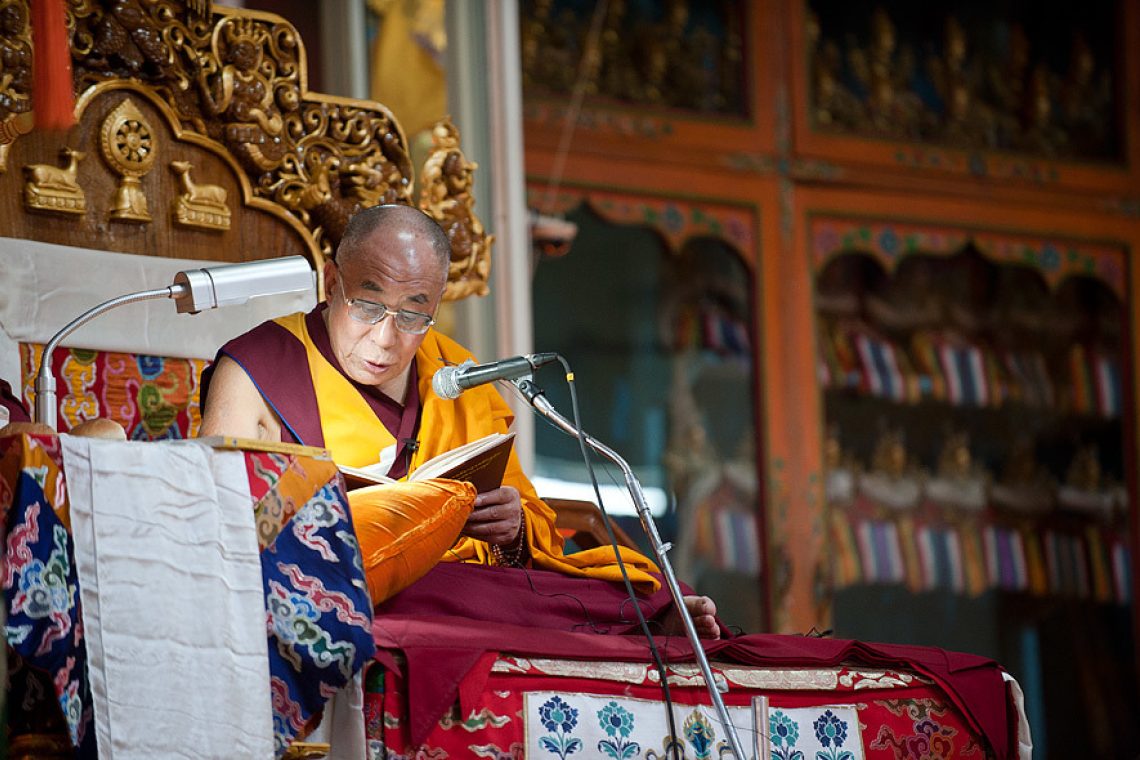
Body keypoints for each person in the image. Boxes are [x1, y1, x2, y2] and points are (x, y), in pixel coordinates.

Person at [199, 204, 719, 637]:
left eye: (412, 315)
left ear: (436, 306)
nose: (385, 339)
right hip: (337, 584)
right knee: (432, 597)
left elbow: (535, 531)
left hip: (463, 591)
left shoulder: (458, 374)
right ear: (332, 282)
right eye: (368, 305)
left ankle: (642, 619)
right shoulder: (256, 369)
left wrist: (513, 528)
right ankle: (636, 625)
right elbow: (220, 532)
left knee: (607, 586)